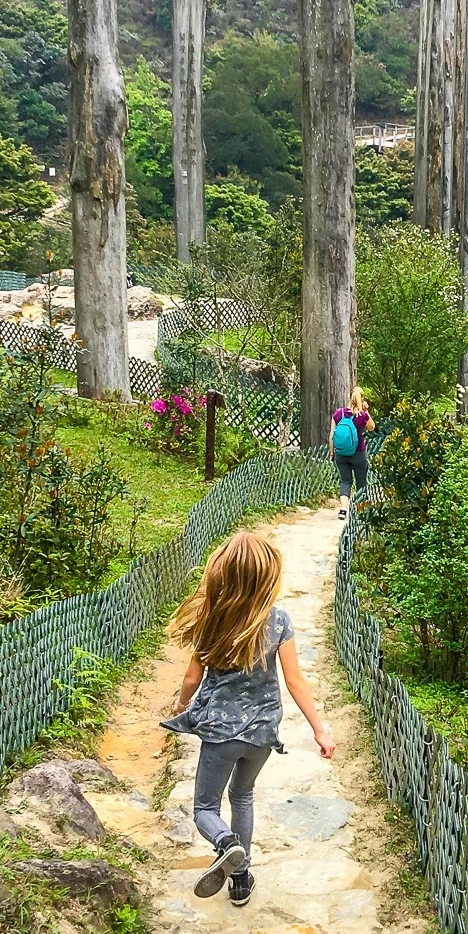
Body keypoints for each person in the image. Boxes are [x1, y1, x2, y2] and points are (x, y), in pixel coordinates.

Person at [162, 530, 334, 907]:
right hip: (262, 734)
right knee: (243, 795)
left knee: (206, 809)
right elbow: (295, 680)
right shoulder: (278, 621)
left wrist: (181, 704)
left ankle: (226, 844)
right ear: (267, 576)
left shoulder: (212, 619)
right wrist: (320, 730)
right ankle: (240, 881)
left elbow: (192, 677)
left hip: (221, 735)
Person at [329, 386, 375, 521]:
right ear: (362, 399)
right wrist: (366, 411)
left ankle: (343, 510)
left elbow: (331, 435)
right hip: (358, 453)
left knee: (345, 481)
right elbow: (372, 427)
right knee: (361, 481)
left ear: (350, 397)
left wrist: (332, 453)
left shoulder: (339, 413)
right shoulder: (362, 415)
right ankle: (360, 511)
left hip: (341, 454)